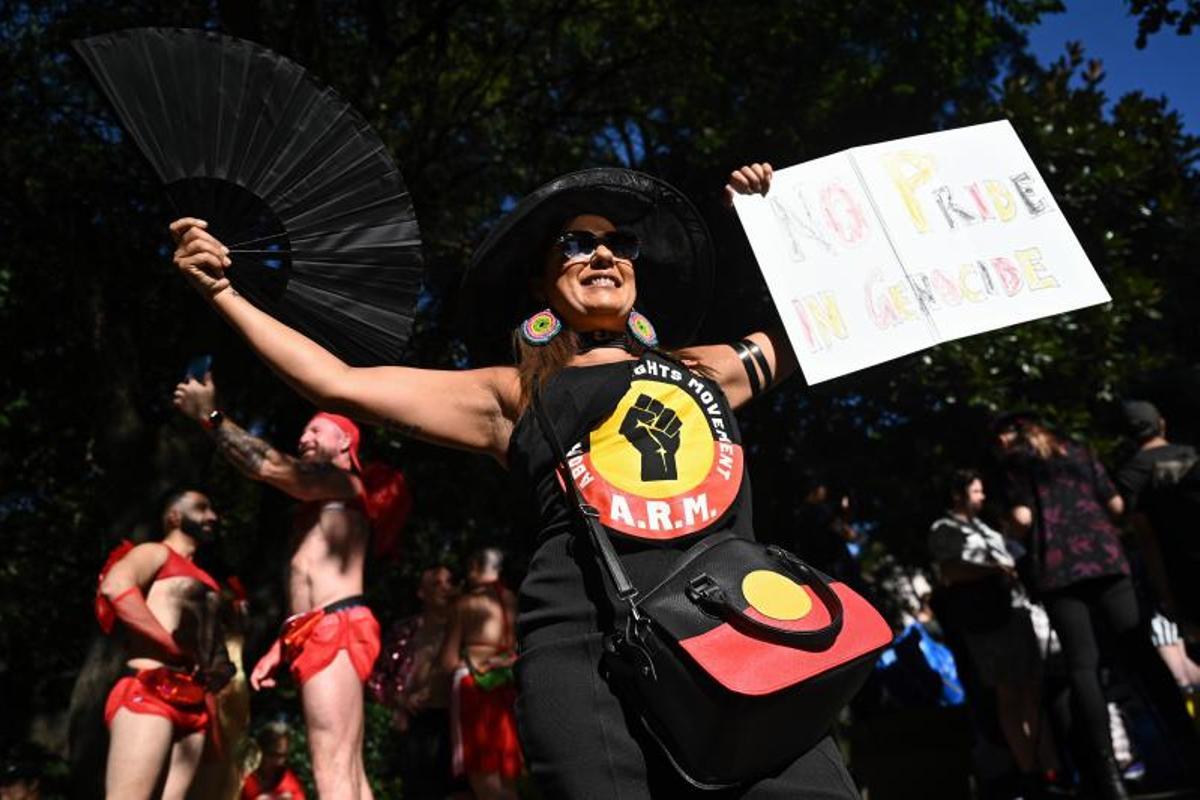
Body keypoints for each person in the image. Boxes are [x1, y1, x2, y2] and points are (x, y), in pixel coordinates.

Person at [167, 161, 862, 797]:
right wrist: (223, 290)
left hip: (743, 639)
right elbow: (336, 381)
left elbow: (823, 323)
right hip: (591, 666)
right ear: (539, 283)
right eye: (576, 244)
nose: (603, 254)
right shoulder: (511, 395)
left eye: (620, 242)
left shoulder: (709, 368)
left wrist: (772, 215)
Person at [173, 379, 381, 800]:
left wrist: (210, 417)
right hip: (319, 629)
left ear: (345, 444)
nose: (305, 437)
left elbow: (270, 466)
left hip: (335, 628)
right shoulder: (319, 505)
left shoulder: (344, 482)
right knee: (347, 768)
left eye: (317, 430)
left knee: (333, 766)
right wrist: (280, 648)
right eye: (304, 431)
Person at [996, 413, 1199, 798]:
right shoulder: (1078, 452)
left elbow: (1022, 518)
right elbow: (1118, 506)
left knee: (1083, 668)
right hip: (1105, 560)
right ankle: (1189, 751)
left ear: (1012, 436)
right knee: (1142, 655)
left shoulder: (1014, 466)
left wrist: (1011, 532)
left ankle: (1109, 778)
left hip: (1058, 571)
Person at [96, 489, 234, 800]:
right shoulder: (154, 553)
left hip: (195, 703)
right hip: (150, 689)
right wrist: (168, 644)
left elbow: (214, 650)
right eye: (201, 508)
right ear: (174, 516)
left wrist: (221, 667)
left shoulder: (209, 580)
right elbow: (115, 587)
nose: (213, 516)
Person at [927, 469, 1051, 789]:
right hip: (987, 619)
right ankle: (1029, 769)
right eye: (976, 491)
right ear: (958, 494)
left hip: (1015, 611)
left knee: (1032, 687)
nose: (982, 497)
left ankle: (1045, 764)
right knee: (1008, 692)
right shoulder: (944, 529)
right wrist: (993, 570)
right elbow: (951, 570)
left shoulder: (986, 526)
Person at [368, 564, 458, 797]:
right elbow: (377, 679)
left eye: (449, 582)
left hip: (458, 719)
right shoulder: (405, 631)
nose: (445, 589)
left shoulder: (465, 627)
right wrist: (400, 700)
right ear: (422, 593)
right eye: (436, 584)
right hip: (419, 724)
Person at [439, 548, 521, 800]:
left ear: (475, 567)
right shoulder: (512, 599)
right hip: (507, 683)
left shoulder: (465, 604)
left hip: (473, 686)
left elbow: (448, 660)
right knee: (507, 776)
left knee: (481, 773)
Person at [1115, 400, 1200, 626]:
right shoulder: (1193, 456)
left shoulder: (1129, 476)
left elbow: (1147, 540)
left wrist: (1164, 594)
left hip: (1184, 573)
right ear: (1162, 423)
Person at [241, 722, 307, 800]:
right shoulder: (242, 778)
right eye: (273, 755)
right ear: (260, 751)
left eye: (283, 755)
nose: (279, 762)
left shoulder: (289, 781)